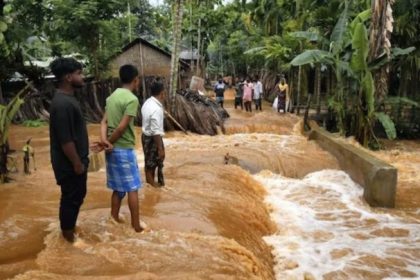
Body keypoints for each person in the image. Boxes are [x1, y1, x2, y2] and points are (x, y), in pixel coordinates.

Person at [49, 57, 89, 243]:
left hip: (72, 161)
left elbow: (73, 134)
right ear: (68, 77)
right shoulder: (62, 104)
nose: (83, 77)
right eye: (79, 73)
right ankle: (68, 238)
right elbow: (65, 140)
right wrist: (77, 163)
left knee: (75, 197)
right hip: (69, 164)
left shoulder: (66, 100)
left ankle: (68, 230)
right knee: (71, 199)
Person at [100, 64, 143, 233]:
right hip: (123, 149)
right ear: (135, 80)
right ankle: (136, 226)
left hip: (111, 151)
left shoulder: (111, 97)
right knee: (133, 188)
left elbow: (103, 122)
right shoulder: (132, 99)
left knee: (118, 188)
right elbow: (121, 128)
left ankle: (114, 218)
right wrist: (108, 142)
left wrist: (105, 142)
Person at [141, 79, 165, 188]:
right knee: (152, 164)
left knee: (149, 162)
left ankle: (150, 185)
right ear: (162, 93)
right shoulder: (156, 108)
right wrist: (160, 149)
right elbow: (156, 131)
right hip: (152, 138)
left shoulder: (147, 103)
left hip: (145, 136)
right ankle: (152, 186)